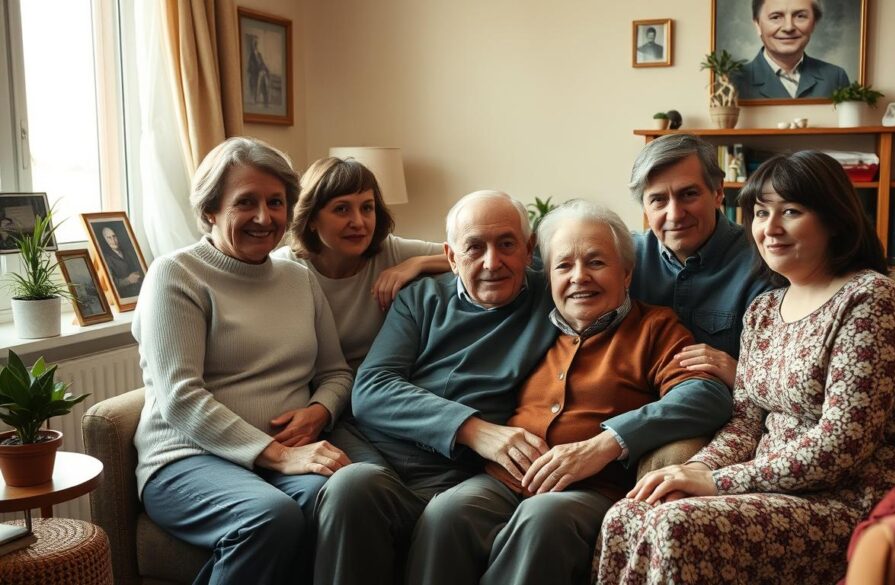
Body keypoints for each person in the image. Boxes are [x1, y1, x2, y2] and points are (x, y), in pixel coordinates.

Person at [594, 150, 895, 584]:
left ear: (834, 218)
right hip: (768, 485)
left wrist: (718, 484)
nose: (770, 229)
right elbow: (745, 421)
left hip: (851, 496)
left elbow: (842, 445)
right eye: (760, 212)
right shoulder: (764, 310)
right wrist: (695, 470)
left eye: (790, 212)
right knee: (628, 512)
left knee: (674, 524)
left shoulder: (869, 300)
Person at [406, 200, 733, 585]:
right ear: (546, 276)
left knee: (544, 518)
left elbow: (705, 395)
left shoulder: (654, 328)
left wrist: (606, 443)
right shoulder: (529, 320)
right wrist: (415, 263)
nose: (579, 277)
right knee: (448, 512)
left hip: (590, 491)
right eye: (563, 265)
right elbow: (483, 265)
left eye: (596, 262)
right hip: (503, 480)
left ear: (626, 273)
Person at [133, 137, 356, 585]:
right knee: (269, 516)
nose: (263, 217)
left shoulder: (298, 277)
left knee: (342, 502)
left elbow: (335, 372)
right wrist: (273, 454)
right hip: (186, 459)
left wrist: (318, 412)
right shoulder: (176, 274)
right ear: (210, 210)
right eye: (245, 202)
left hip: (284, 456)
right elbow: (180, 398)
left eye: (276, 202)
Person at [313, 190, 560, 584]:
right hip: (376, 452)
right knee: (351, 486)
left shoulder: (555, 298)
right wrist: (474, 430)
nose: (492, 262)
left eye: (507, 244)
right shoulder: (420, 298)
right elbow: (372, 388)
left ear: (530, 249)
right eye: (474, 248)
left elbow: (615, 250)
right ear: (450, 257)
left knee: (450, 513)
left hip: (455, 476)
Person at [272, 156, 447, 369]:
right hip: (316, 386)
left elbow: (469, 256)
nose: (358, 222)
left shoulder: (390, 251)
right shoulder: (283, 266)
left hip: (379, 381)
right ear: (311, 219)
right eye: (342, 209)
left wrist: (417, 264)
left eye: (367, 208)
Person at [629, 134, 774, 389]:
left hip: (725, 417)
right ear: (644, 206)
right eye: (658, 199)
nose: (674, 214)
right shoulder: (622, 259)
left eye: (688, 194)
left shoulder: (763, 262)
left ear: (718, 192)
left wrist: (740, 374)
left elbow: (783, 379)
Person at [731, 0, 850, 99]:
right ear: (757, 25)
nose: (788, 27)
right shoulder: (733, 81)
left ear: (813, 24)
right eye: (776, 17)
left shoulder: (835, 78)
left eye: (800, 16)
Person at [99, 225, 144, 298]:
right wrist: (128, 280)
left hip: (140, 292)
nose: (113, 241)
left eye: (114, 236)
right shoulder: (106, 258)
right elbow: (110, 283)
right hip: (124, 296)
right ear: (105, 240)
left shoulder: (127, 252)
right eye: (109, 238)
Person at [247, 36, 270, 105]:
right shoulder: (251, 55)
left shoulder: (259, 54)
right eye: (255, 44)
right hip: (256, 73)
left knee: (265, 82)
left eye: (256, 44)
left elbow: (263, 63)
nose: (256, 46)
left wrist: (266, 69)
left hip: (262, 72)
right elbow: (250, 66)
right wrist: (255, 70)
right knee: (258, 82)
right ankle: (256, 100)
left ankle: (266, 101)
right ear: (253, 46)